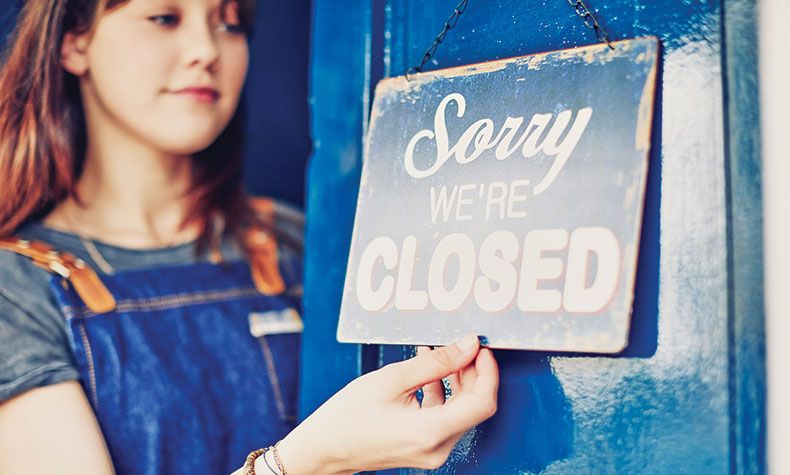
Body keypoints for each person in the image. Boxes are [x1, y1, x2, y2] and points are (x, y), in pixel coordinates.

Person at [0, 0, 499, 473]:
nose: (206, 50)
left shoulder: (295, 239)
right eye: (164, 18)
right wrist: (309, 460)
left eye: (230, 23)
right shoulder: (13, 286)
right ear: (74, 43)